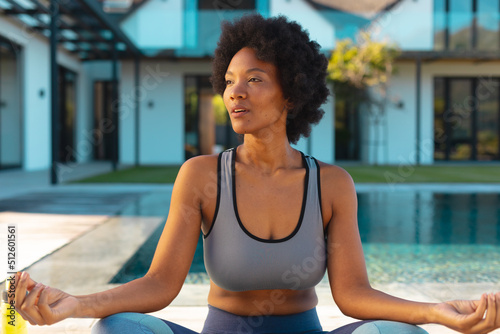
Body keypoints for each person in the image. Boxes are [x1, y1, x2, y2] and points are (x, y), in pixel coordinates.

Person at [12, 14, 500, 334]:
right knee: (116, 329)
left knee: (402, 333)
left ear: (292, 93)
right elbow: (159, 284)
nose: (235, 93)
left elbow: (352, 296)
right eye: (228, 82)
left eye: (254, 80)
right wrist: (75, 303)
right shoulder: (200, 176)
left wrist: (436, 314)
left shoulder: (331, 185)